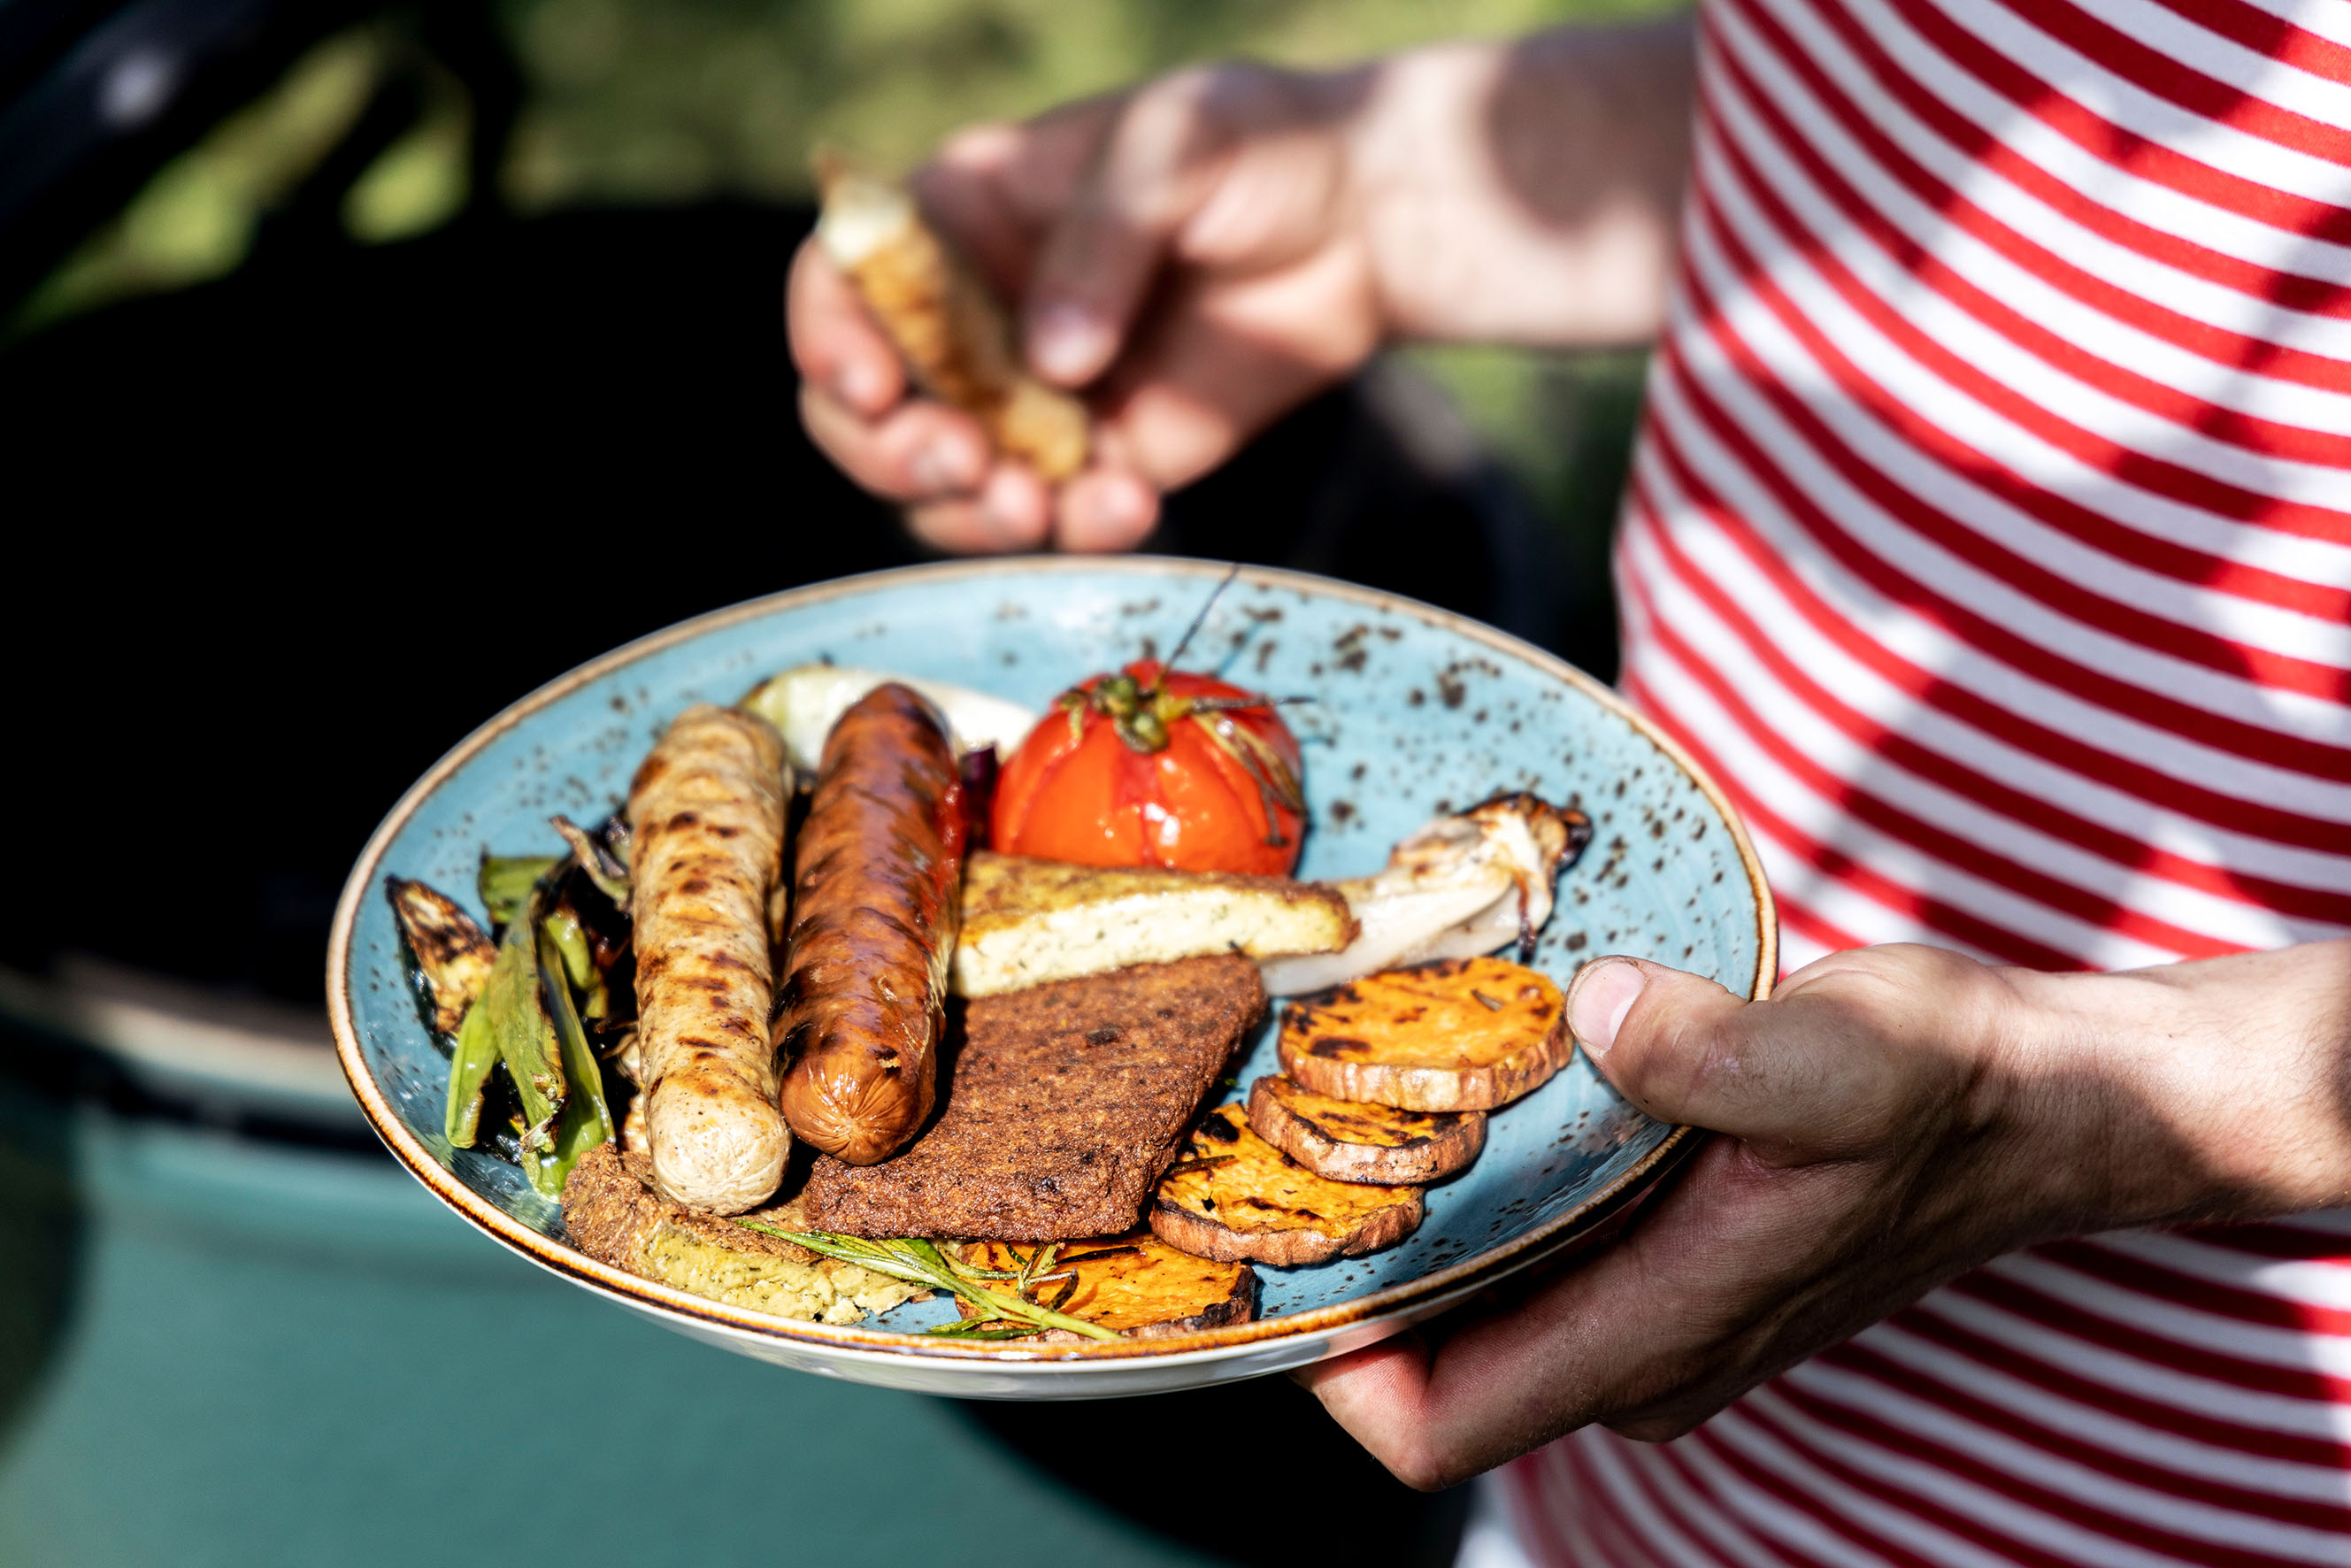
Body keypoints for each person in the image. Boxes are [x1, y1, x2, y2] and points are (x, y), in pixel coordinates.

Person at [788, 4, 2351, 1563]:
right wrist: (1377, 191)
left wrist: (2101, 1114)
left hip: (2220, 1478)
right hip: (1608, 1474)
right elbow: (1991, 111)